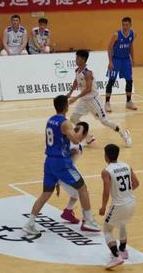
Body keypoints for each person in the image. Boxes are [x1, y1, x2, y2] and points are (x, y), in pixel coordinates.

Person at [22, 95, 102, 235]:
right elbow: (76, 140)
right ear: (66, 106)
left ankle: (30, 223)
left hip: (49, 161)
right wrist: (81, 128)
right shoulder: (65, 123)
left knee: (45, 194)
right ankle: (88, 220)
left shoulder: (50, 120)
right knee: (82, 188)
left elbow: (58, 139)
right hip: (61, 162)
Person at [66, 50, 132, 148]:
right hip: (84, 100)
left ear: (83, 59)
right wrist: (70, 92)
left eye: (78, 58)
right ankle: (89, 138)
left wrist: (75, 98)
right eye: (76, 57)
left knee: (105, 121)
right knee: (73, 118)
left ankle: (124, 134)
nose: (76, 60)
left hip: (94, 100)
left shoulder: (88, 73)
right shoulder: (77, 71)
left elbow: (88, 89)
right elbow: (76, 81)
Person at [99, 143, 139, 270]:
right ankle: (123, 250)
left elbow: (106, 192)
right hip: (131, 202)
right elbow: (136, 183)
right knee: (122, 223)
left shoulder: (106, 171)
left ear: (106, 156)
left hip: (119, 205)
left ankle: (116, 256)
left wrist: (103, 207)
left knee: (107, 229)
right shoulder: (127, 166)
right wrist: (125, 193)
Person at [105, 17, 137, 112]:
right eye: (123, 25)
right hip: (116, 59)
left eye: (127, 25)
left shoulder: (133, 34)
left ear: (130, 25)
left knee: (129, 80)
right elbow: (109, 48)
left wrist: (133, 58)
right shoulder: (116, 35)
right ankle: (107, 103)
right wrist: (110, 61)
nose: (125, 27)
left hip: (126, 60)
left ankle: (128, 102)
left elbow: (131, 46)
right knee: (111, 80)